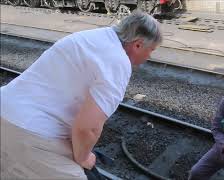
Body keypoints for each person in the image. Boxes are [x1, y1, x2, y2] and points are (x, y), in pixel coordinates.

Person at [1, 10, 162, 179]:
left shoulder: (93, 36)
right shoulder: (118, 62)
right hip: (30, 129)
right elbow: (87, 129)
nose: (149, 56)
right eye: (151, 50)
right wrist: (84, 158)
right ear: (137, 44)